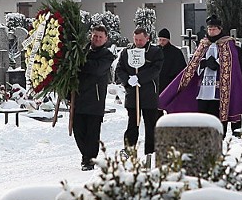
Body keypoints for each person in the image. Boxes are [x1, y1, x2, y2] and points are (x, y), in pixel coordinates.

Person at [159, 15, 242, 136]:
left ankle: (218, 143)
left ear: (219, 29)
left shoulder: (228, 44)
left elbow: (233, 64)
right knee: (203, 120)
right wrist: (203, 63)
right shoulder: (203, 44)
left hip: (219, 92)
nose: (211, 31)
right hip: (203, 90)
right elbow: (193, 65)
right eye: (209, 29)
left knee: (217, 121)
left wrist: (218, 64)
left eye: (214, 29)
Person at [115, 27, 164, 155]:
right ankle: (129, 148)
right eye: (136, 39)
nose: (138, 42)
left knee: (151, 124)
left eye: (141, 40)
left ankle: (151, 151)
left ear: (147, 38)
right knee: (132, 123)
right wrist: (127, 80)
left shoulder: (155, 52)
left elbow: (155, 69)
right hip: (133, 94)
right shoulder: (126, 52)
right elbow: (120, 69)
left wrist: (139, 78)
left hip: (149, 94)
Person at [73, 25, 115, 171]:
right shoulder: (81, 50)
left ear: (105, 39)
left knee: (92, 133)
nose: (97, 39)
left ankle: (88, 160)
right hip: (78, 99)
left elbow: (96, 69)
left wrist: (79, 62)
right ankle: (86, 156)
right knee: (77, 130)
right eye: (95, 36)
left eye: (100, 37)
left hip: (95, 100)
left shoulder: (107, 55)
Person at [157, 28, 186, 94]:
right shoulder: (155, 51)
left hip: (170, 83)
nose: (161, 42)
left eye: (164, 40)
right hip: (157, 83)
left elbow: (181, 69)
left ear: (168, 40)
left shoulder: (176, 52)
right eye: (160, 40)